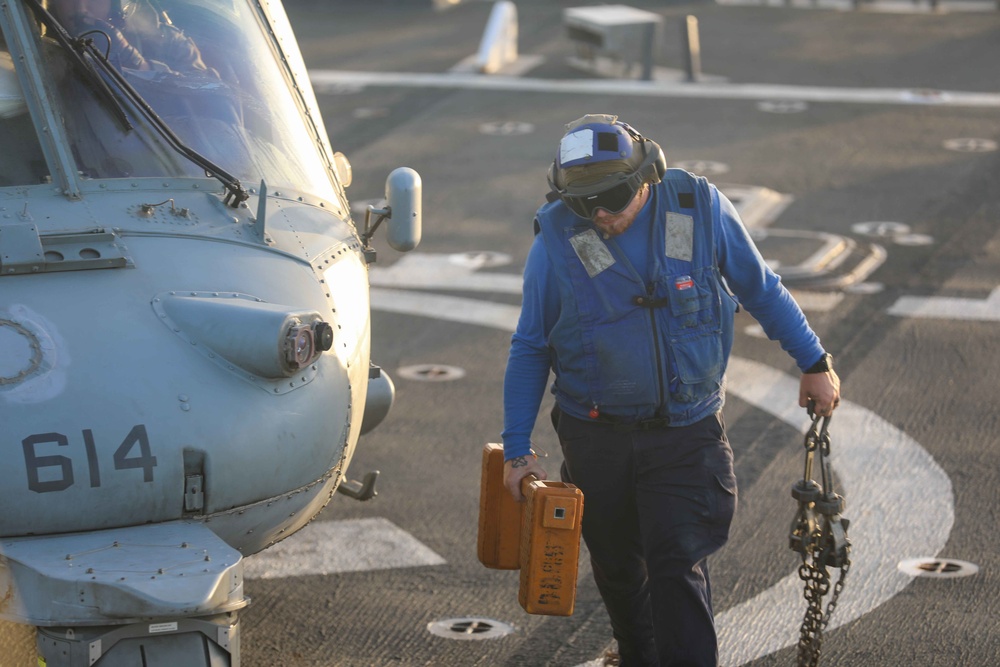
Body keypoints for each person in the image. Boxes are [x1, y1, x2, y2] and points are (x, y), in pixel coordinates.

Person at [501, 114, 841, 667]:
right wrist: (517, 449)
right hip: (596, 437)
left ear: (650, 175)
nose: (603, 214)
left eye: (614, 195)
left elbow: (760, 287)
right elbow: (531, 345)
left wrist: (813, 360)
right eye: (586, 203)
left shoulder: (699, 209)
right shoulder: (558, 240)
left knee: (676, 563)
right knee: (616, 566)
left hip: (686, 434)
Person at [46, 0, 213, 75]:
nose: (81, 8)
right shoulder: (31, 46)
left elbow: (209, 99)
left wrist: (137, 63)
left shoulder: (169, 44)